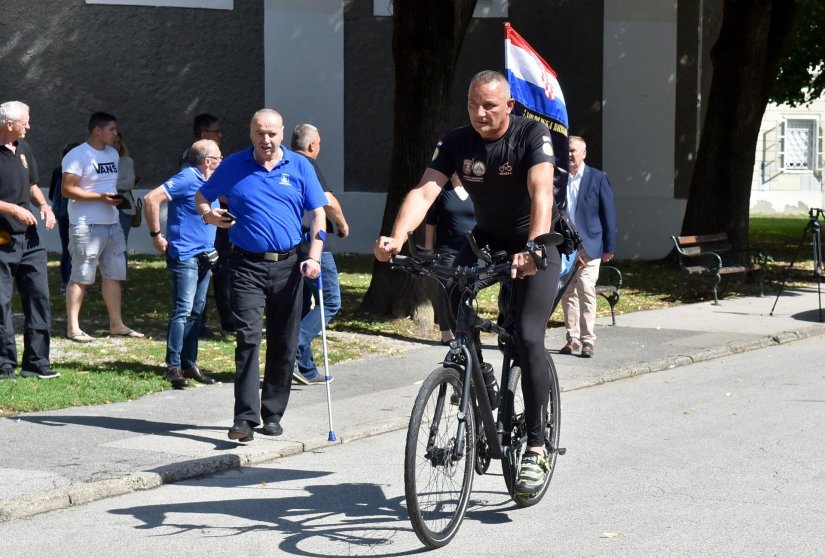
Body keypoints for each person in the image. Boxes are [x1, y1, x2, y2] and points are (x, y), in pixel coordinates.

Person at [374, 70, 561, 495]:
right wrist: (397, 235)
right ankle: (476, 372)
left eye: (490, 105)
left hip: (537, 241)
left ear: (509, 105)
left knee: (529, 338)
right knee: (452, 284)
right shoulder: (456, 142)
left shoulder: (532, 136)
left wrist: (533, 249)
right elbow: (425, 192)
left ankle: (535, 447)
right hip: (489, 242)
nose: (480, 113)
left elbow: (542, 194)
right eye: (473, 104)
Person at [196, 108, 327, 442]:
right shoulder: (235, 165)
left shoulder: (300, 166)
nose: (266, 140)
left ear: (282, 133)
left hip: (289, 265)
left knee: (283, 340)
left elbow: (317, 214)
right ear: (251, 134)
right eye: (259, 134)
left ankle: (272, 413)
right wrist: (208, 216)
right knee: (248, 337)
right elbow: (202, 196)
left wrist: (313, 257)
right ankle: (244, 418)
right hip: (245, 265)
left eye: (272, 134)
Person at [144, 139, 222, 389]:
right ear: (208, 161)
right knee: (183, 310)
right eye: (219, 158)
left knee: (197, 312)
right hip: (185, 255)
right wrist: (156, 235)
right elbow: (151, 199)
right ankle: (173, 366)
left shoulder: (210, 183)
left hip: (205, 255)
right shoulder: (188, 178)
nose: (222, 161)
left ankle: (189, 363)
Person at [61, 111, 144, 342]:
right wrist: (100, 197)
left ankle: (116, 325)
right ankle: (73, 327)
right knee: (80, 275)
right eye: (112, 129)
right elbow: (67, 190)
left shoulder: (113, 154)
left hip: (112, 221)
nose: (116, 134)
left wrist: (112, 198)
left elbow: (108, 185)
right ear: (97, 130)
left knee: (114, 275)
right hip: (86, 225)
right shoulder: (77, 155)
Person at [0, 101, 59, 380]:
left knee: (39, 297)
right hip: (2, 238)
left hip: (31, 239)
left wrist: (44, 206)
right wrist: (12, 209)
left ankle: (36, 362)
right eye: (25, 122)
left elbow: (33, 185)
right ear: (9, 124)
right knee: (1, 303)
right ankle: (4, 364)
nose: (29, 126)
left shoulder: (24, 148)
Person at [290, 123, 350, 385]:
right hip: (312, 240)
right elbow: (327, 200)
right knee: (331, 300)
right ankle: (292, 348)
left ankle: (306, 369)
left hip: (290, 243)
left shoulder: (285, 162)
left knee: (302, 304)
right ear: (312, 145)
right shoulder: (308, 164)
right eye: (320, 143)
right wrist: (342, 223)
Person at [559, 135, 616, 358]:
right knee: (567, 293)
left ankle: (588, 341)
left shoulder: (598, 178)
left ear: (584, 153)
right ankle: (571, 339)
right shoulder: (559, 177)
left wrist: (609, 246)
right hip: (566, 246)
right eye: (567, 151)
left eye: (574, 151)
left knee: (586, 289)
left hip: (590, 245)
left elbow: (608, 214)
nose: (570, 155)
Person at [180, 113, 233, 338]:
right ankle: (199, 324)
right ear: (204, 134)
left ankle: (217, 323)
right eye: (216, 131)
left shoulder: (211, 158)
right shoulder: (194, 161)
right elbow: (207, 188)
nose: (221, 135)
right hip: (202, 226)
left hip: (212, 224)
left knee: (219, 272)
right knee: (212, 273)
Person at [424, 173, 476, 345]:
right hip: (447, 250)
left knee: (468, 289)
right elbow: (431, 222)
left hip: (472, 251)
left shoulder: (476, 189)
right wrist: (428, 248)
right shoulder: (443, 191)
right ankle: (446, 331)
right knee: (447, 288)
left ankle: (465, 328)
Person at [48, 142, 81, 293]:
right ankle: (70, 281)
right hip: (74, 212)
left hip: (61, 212)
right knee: (73, 247)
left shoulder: (58, 169)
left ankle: (65, 281)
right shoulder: (77, 170)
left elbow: (50, 193)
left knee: (66, 247)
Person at [112, 131, 138, 250]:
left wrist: (111, 185)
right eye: (113, 142)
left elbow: (129, 183)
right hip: (106, 205)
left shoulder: (127, 161)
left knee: (121, 244)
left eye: (118, 143)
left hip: (124, 205)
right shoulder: (99, 161)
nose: (116, 145)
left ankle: (123, 269)